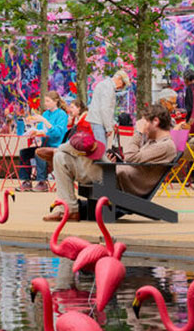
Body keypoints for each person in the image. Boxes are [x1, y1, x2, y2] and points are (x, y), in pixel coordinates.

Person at [44, 70, 130, 222]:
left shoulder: (102, 85)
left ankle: (61, 148)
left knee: (82, 146)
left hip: (102, 171)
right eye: (122, 85)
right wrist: (109, 127)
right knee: (61, 156)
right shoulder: (108, 88)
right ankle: (69, 209)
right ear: (119, 80)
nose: (120, 89)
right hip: (99, 151)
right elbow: (105, 109)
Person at [115, 104, 179, 196]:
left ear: (156, 121)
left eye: (145, 123)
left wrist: (138, 133)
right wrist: (117, 161)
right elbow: (133, 159)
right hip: (116, 181)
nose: (143, 128)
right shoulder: (154, 142)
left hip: (124, 189)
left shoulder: (165, 145)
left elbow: (130, 157)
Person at [17, 91, 68, 192]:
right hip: (44, 144)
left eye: (48, 101)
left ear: (56, 101)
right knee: (24, 153)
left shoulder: (62, 115)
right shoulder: (45, 113)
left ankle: (42, 182)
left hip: (56, 146)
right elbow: (40, 129)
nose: (46, 103)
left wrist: (44, 121)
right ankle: (26, 181)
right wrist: (33, 129)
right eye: (45, 101)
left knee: (39, 152)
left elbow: (57, 133)